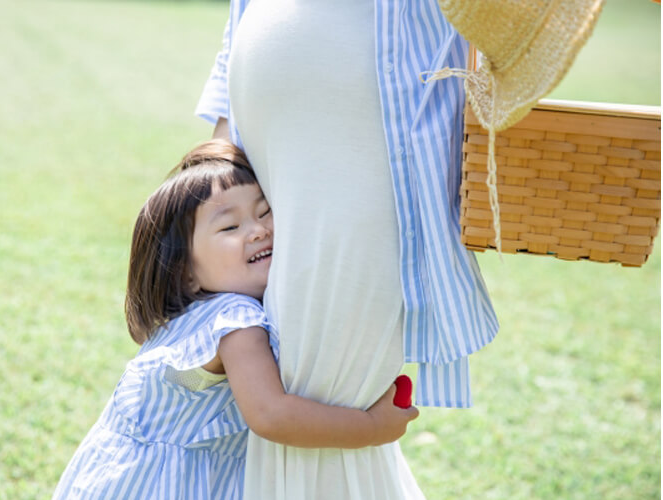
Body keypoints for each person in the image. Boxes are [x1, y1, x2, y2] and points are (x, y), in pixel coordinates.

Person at [197, 1, 500, 498]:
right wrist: (223, 150)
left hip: (366, 129)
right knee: (289, 380)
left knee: (320, 382)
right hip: (265, 155)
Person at [51, 140, 419, 499]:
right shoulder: (235, 320)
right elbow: (271, 415)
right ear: (185, 273)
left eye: (264, 212)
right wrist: (370, 428)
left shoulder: (187, 320)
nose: (258, 230)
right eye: (230, 228)